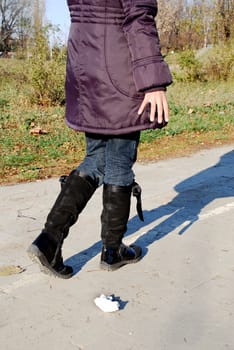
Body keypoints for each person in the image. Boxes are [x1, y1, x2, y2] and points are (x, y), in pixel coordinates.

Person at [27, 0, 172, 278]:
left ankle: (49, 241)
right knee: (119, 159)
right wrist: (153, 81)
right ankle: (112, 251)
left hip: (85, 67)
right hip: (118, 66)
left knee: (96, 158)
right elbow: (138, 17)